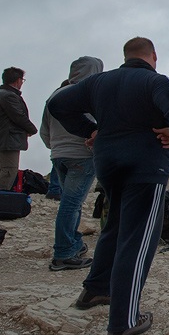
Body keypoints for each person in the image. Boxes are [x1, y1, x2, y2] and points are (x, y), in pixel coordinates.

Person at [47, 37, 169, 335]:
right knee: (138, 237)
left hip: (108, 164)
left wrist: (90, 130)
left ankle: (97, 288)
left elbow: (57, 105)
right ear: (153, 56)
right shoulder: (154, 80)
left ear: (125, 56)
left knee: (115, 225)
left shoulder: (100, 82)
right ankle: (123, 321)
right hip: (146, 165)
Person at [40, 56, 104, 272]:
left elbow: (44, 131)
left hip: (58, 155)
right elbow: (98, 125)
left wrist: (56, 147)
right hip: (82, 155)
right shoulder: (88, 95)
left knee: (70, 202)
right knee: (72, 204)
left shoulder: (55, 94)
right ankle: (64, 253)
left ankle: (74, 243)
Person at [0, 67, 37, 190]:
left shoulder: (1, 94)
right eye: (22, 80)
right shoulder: (9, 96)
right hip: (9, 139)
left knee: (4, 170)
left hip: (4, 138)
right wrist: (32, 129)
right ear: (18, 80)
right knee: (9, 171)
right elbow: (18, 116)